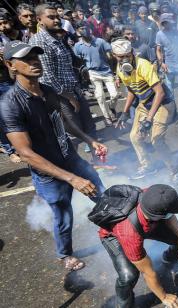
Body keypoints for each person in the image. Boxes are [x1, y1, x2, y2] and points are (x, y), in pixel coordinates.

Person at [0, 41, 106, 271]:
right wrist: (71, 179)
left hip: (71, 158)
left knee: (101, 193)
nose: (34, 62)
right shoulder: (10, 104)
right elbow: (25, 153)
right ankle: (65, 254)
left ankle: (117, 230)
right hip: (48, 174)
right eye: (26, 59)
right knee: (63, 215)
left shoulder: (47, 90)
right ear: (11, 64)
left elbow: (64, 122)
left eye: (35, 57)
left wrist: (89, 140)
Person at [98, 184, 178, 308]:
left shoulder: (155, 195)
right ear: (158, 216)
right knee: (129, 276)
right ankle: (123, 304)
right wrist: (164, 296)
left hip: (147, 223)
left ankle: (169, 258)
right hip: (114, 236)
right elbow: (148, 272)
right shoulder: (129, 234)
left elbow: (169, 214)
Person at [112, 39, 178, 182]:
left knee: (156, 140)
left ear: (132, 52)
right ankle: (148, 165)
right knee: (134, 136)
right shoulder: (120, 69)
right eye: (120, 56)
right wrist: (125, 112)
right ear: (114, 55)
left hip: (163, 103)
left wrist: (149, 119)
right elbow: (132, 90)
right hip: (145, 103)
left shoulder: (143, 65)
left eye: (127, 55)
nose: (124, 59)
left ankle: (176, 169)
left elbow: (160, 92)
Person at [30, 3, 97, 151]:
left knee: (89, 127)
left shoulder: (57, 37)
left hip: (74, 90)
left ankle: (98, 161)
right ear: (39, 19)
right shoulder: (40, 41)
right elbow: (46, 77)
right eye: (51, 17)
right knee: (73, 134)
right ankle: (75, 168)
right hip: (59, 97)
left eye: (57, 17)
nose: (56, 20)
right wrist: (69, 97)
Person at [74, 25, 118, 126]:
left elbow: (110, 54)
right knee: (100, 96)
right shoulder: (78, 46)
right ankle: (107, 117)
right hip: (93, 73)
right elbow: (78, 60)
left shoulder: (100, 41)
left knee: (114, 95)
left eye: (85, 28)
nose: (84, 30)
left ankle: (112, 108)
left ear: (90, 29)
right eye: (81, 28)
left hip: (106, 71)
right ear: (77, 31)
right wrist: (83, 70)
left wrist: (112, 63)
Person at [156, 13, 178, 92]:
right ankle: (172, 104)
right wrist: (161, 63)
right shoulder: (159, 34)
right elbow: (158, 50)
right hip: (169, 65)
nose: (170, 24)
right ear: (163, 23)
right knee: (169, 88)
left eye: (171, 22)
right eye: (167, 23)